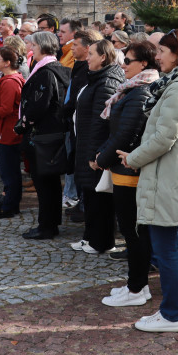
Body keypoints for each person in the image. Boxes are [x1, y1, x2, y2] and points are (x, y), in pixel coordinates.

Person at [118, 30, 178, 332]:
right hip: (168, 175)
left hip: (168, 177)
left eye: (162, 51)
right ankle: (173, 311)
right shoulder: (176, 84)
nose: (157, 57)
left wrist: (132, 158)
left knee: (167, 249)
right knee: (166, 247)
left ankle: (172, 314)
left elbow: (163, 138)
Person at [96, 40, 160, 306]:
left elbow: (126, 133)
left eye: (128, 61)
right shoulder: (133, 88)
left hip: (129, 168)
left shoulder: (141, 90)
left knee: (133, 231)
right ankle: (136, 285)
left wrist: (102, 157)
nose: (123, 65)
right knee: (132, 230)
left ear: (144, 63)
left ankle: (137, 288)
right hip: (122, 166)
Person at [18, 31, 72, 240]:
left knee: (44, 182)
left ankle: (47, 226)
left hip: (43, 134)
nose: (31, 46)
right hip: (51, 132)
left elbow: (39, 106)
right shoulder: (51, 68)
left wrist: (21, 125)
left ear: (42, 46)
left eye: (33, 43)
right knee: (49, 183)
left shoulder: (46, 72)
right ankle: (49, 223)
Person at [75, 38, 125, 254]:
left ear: (103, 57)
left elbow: (100, 122)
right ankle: (90, 236)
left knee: (99, 198)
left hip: (95, 148)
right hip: (86, 143)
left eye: (91, 54)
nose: (87, 58)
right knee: (90, 194)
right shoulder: (97, 78)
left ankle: (101, 241)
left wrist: (95, 153)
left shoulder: (107, 82)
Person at [60, 29, 103, 217]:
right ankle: (81, 202)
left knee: (85, 168)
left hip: (83, 128)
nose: (72, 48)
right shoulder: (79, 67)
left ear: (88, 48)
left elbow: (82, 100)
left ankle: (84, 204)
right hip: (74, 124)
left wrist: (67, 111)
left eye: (75, 45)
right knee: (76, 165)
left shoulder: (90, 72)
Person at [0, 47, 25, 218]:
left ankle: (9, 206)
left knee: (9, 172)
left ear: (7, 63)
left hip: (6, 132)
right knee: (10, 171)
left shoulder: (10, 82)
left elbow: (7, 109)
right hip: (5, 131)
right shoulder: (7, 79)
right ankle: (10, 202)